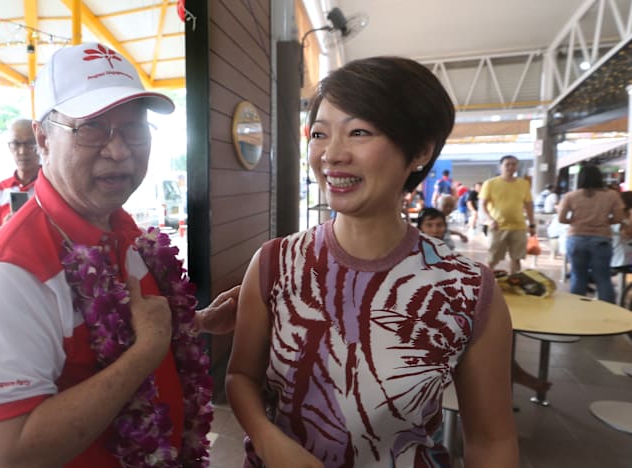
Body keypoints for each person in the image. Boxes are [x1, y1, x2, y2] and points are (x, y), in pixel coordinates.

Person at [225, 57, 518, 467]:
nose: (331, 154)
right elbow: (241, 376)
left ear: (420, 151)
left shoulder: (466, 288)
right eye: (320, 134)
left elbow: (492, 441)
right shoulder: (277, 262)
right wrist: (267, 439)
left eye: (359, 132)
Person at [0, 42, 240, 467]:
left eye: (134, 129)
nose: (120, 150)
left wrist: (194, 322)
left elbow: (124, 327)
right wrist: (145, 354)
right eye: (92, 127)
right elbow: (12, 453)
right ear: (43, 139)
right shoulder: (12, 273)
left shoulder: (121, 226)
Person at [558, 164, 625, 303]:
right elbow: (619, 218)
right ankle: (608, 311)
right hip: (601, 239)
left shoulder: (571, 196)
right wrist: (605, 221)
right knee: (603, 278)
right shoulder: (611, 195)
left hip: (576, 238)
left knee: (578, 276)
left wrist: (575, 221)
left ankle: (577, 309)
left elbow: (561, 218)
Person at [0, 118, 41, 244]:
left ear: (41, 143)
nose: (22, 151)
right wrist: (4, 230)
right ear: (9, 147)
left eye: (30, 143)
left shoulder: (54, 185)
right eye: (16, 144)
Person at [480, 155, 536, 274]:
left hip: (519, 227)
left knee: (516, 258)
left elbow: (529, 205)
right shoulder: (490, 183)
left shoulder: (523, 184)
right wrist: (490, 219)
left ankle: (514, 280)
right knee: (492, 258)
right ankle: (487, 280)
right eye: (507, 164)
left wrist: (532, 224)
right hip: (498, 226)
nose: (511, 167)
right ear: (500, 166)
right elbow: (483, 205)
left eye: (513, 164)